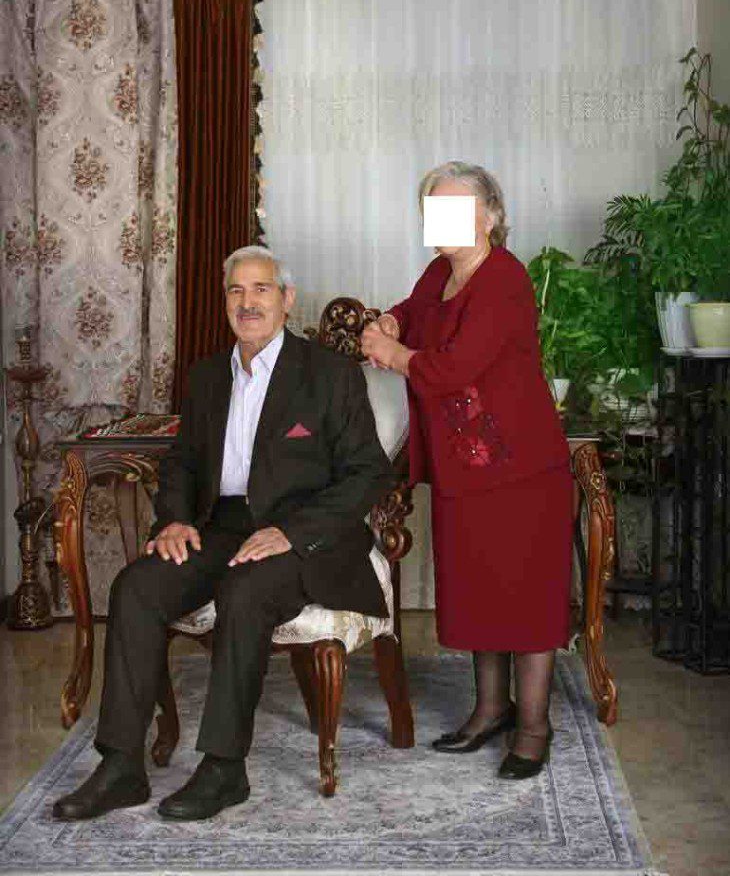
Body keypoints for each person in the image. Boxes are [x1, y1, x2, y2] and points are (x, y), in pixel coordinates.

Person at [53, 246, 393, 822]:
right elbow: (183, 462)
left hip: (306, 535)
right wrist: (174, 519)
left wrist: (291, 532)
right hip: (222, 528)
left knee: (246, 591)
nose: (247, 302)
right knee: (136, 588)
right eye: (236, 291)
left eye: (261, 289)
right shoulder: (208, 375)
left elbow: (368, 474)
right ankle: (121, 766)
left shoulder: (329, 375)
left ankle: (223, 768)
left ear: (286, 299)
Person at [361, 161, 572, 780]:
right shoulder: (440, 271)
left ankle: (533, 727)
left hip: (521, 470)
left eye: (455, 207)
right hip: (466, 467)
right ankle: (490, 711)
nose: (441, 221)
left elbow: (454, 368)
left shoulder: (504, 278)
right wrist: (392, 321)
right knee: (480, 591)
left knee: (526, 600)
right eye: (433, 209)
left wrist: (394, 353)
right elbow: (413, 308)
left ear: (490, 216)